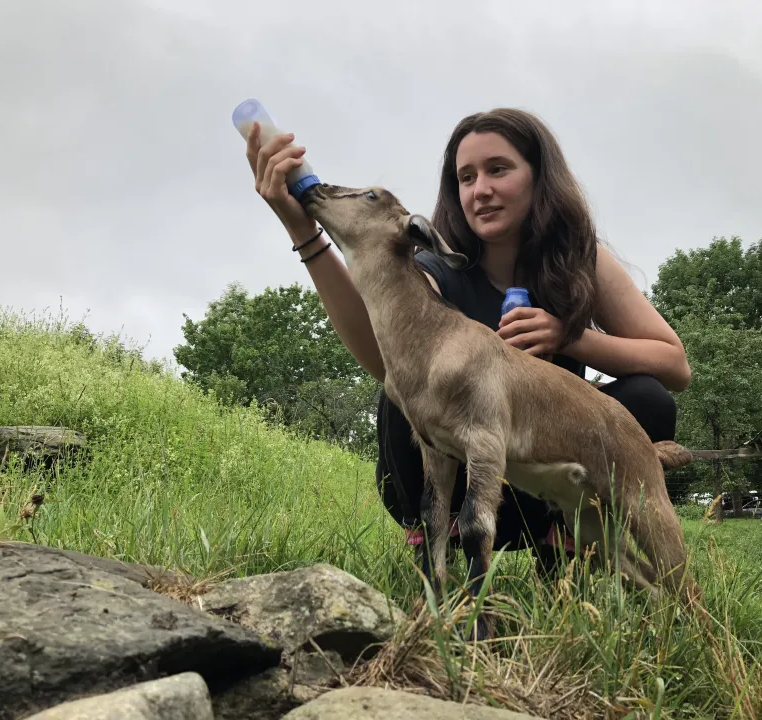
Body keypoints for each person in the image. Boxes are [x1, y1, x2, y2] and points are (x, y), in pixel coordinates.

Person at [244, 107, 691, 576]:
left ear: (540, 177)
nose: (481, 190)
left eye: (499, 169)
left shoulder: (579, 259)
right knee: (403, 388)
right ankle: (434, 549)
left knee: (646, 399)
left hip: (548, 473)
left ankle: (566, 550)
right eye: (466, 177)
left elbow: (675, 366)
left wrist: (571, 337)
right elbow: (382, 360)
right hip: (462, 479)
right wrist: (304, 229)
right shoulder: (433, 268)